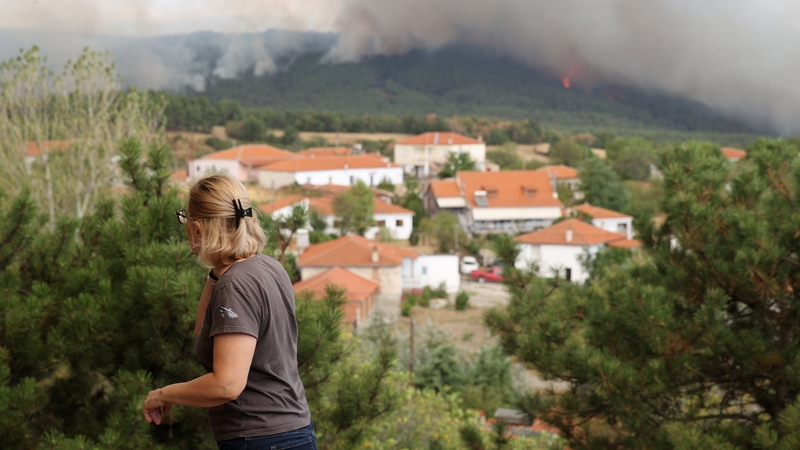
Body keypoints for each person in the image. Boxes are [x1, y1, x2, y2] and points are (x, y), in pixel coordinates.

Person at [143, 173, 316, 450]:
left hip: (260, 439)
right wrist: (216, 271)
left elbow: (227, 384)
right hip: (293, 431)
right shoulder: (268, 266)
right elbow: (203, 331)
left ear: (197, 229)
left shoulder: (235, 285)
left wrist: (164, 394)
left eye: (185, 219)